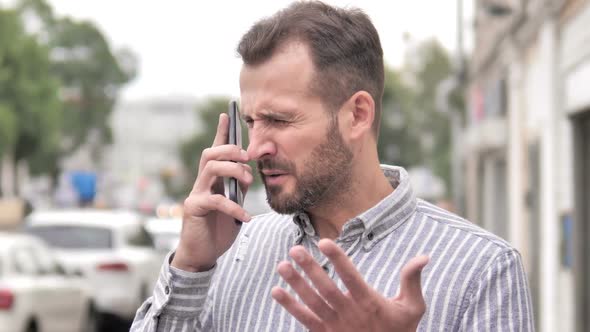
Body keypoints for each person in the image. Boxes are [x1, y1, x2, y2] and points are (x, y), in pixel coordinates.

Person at [131, 2, 534, 331]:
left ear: (357, 115)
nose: (254, 149)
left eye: (279, 120)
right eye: (251, 122)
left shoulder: (480, 270)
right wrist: (190, 265)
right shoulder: (237, 250)